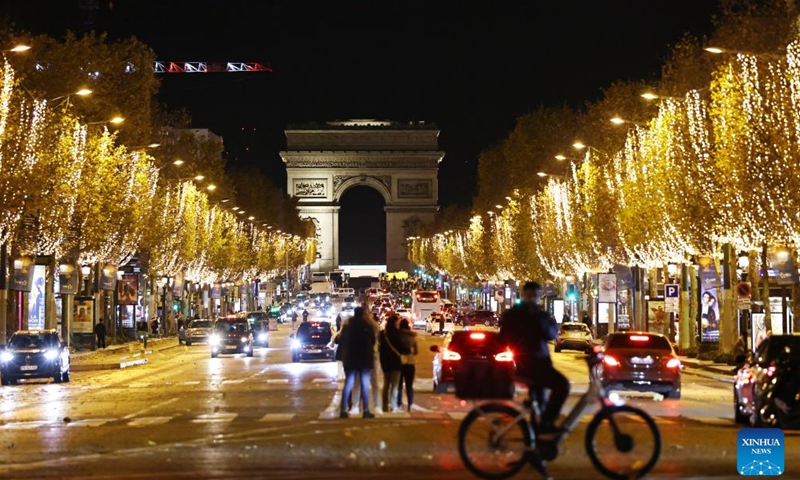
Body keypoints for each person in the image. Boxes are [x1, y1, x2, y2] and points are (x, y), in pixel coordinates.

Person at [498, 281, 569, 438]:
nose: (532, 299)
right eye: (531, 296)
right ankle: (546, 423)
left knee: (539, 402)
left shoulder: (512, 314)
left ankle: (536, 439)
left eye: (533, 296)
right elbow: (551, 334)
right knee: (562, 385)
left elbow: (502, 339)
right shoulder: (537, 315)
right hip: (535, 364)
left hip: (522, 363)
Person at [339, 307, 377, 419]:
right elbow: (373, 341)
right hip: (364, 358)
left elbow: (341, 340)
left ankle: (343, 410)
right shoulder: (367, 326)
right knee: (365, 385)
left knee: (348, 385)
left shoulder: (347, 327)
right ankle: (365, 410)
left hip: (350, 358)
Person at [379, 314, 403, 413]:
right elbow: (401, 348)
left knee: (386, 385)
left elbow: (379, 347)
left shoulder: (382, 334)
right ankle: (393, 405)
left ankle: (384, 406)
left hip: (385, 361)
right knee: (394, 386)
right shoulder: (398, 333)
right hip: (396, 361)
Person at [396, 318, 419, 412]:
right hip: (410, 362)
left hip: (399, 360)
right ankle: (410, 404)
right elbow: (416, 351)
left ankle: (399, 404)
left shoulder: (397, 336)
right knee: (409, 385)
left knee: (399, 385)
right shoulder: (412, 337)